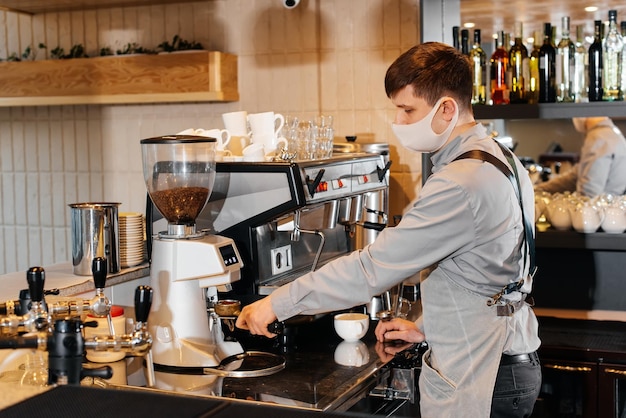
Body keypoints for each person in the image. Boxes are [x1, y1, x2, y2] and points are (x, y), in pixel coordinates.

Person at [236, 42, 541, 417]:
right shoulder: (501, 157)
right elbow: (491, 275)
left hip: (482, 376)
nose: (399, 122)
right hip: (510, 358)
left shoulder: (460, 183)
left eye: (408, 110)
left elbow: (370, 269)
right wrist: (430, 327)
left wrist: (276, 303)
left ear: (447, 108)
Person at [534, 116, 626, 197]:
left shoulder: (598, 138)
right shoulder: (612, 132)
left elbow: (589, 191)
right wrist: (538, 189)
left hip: (601, 212)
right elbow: (575, 176)